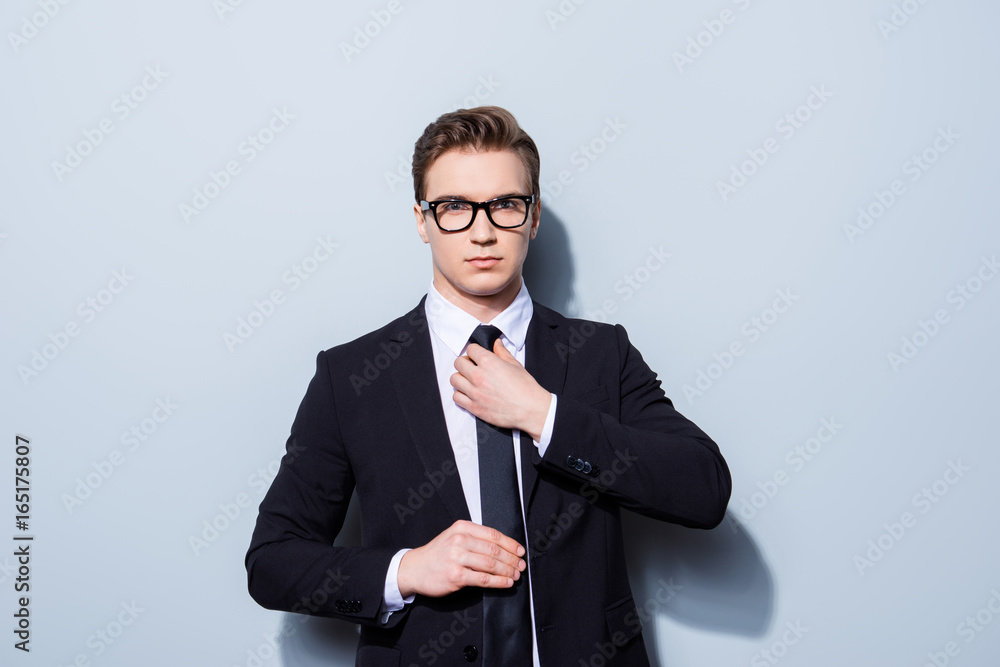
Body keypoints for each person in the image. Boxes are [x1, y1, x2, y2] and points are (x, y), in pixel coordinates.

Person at [245, 106, 731, 666]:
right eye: (454, 207)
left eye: (505, 205)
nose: (482, 231)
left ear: (534, 216)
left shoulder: (601, 354)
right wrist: (407, 570)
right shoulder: (350, 376)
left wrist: (544, 415)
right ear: (422, 220)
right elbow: (273, 562)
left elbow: (705, 488)